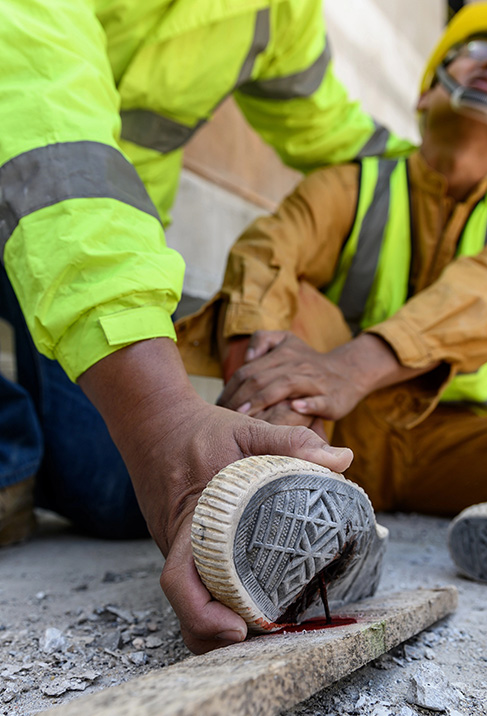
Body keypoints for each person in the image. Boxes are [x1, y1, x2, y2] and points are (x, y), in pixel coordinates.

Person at [0, 0, 403, 655]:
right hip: (33, 194)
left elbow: (336, 134)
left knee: (112, 494)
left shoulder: (282, 13)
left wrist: (446, 174)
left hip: (95, 244)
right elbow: (46, 131)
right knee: (148, 445)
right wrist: (160, 418)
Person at [177, 2, 487, 594]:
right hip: (331, 432)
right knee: (285, 302)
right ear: (426, 93)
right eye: (475, 53)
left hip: (455, 446)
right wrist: (260, 374)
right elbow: (266, 256)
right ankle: (282, 506)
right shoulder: (350, 185)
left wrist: (352, 366)